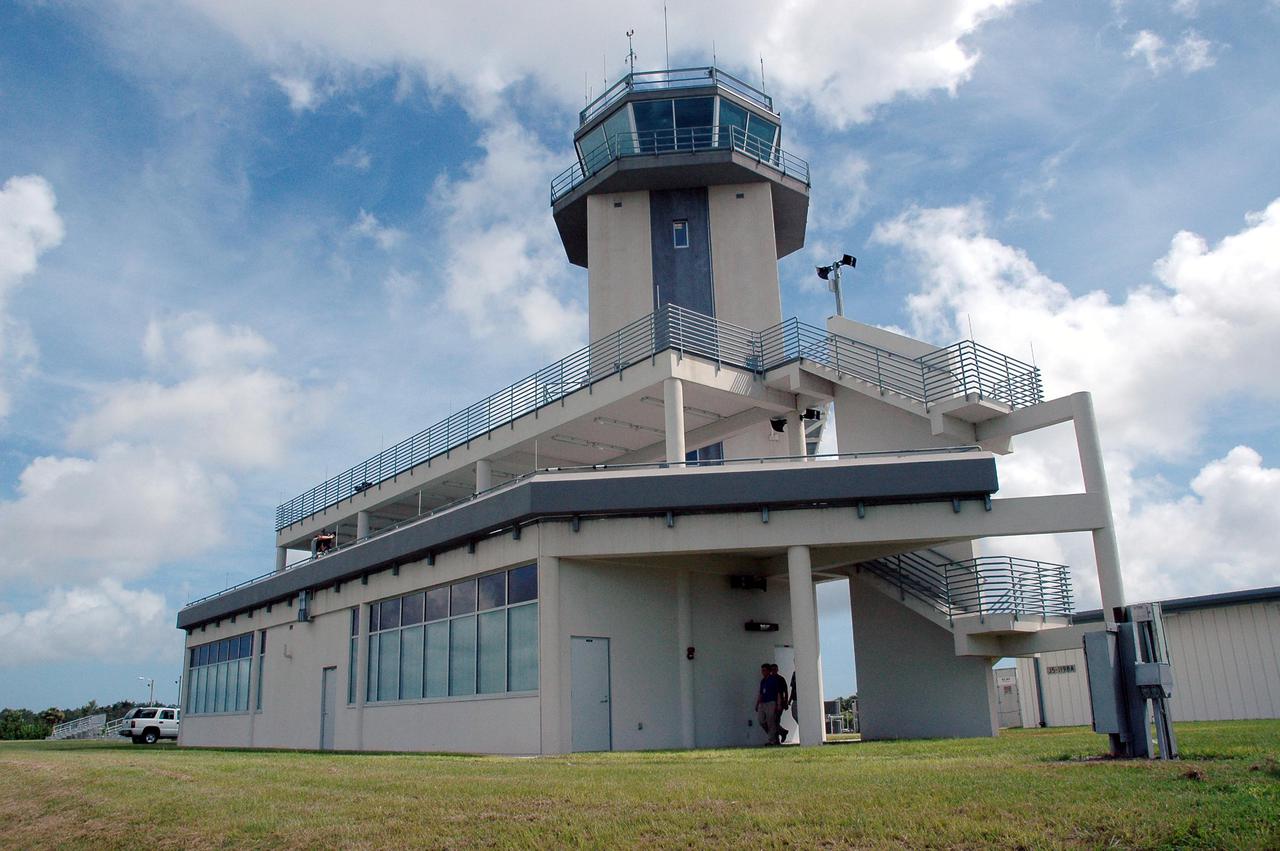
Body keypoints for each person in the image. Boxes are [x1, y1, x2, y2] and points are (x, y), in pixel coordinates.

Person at [755, 663, 784, 745]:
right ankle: (777, 733)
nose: (762, 672)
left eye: (764, 670)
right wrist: (757, 704)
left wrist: (779, 704)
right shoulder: (763, 681)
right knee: (761, 720)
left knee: (771, 721)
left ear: (768, 671)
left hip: (771, 702)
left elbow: (778, 693)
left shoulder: (774, 680)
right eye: (762, 671)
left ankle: (772, 740)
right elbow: (761, 693)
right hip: (763, 703)